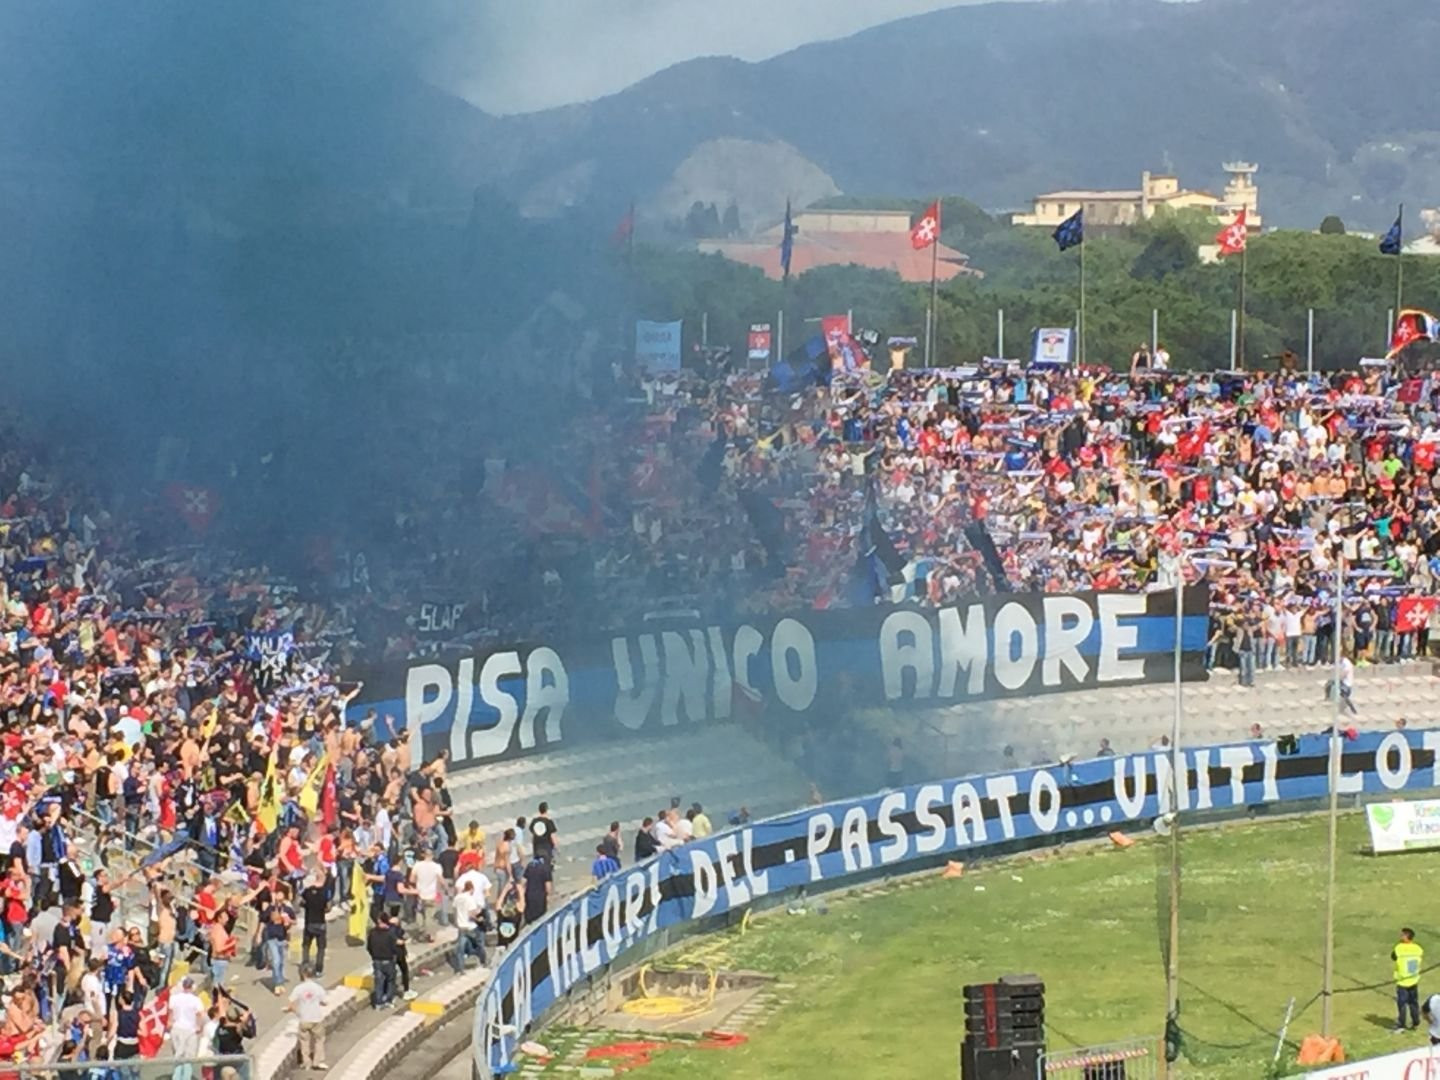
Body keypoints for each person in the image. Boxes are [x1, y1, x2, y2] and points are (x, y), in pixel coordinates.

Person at [287, 963, 329, 1071]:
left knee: (304, 1041)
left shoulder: (298, 988)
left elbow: (290, 1003)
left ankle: (306, 1063)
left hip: (304, 1019)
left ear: (302, 974)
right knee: (319, 1039)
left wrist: (296, 1011)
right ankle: (318, 1061)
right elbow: (325, 1002)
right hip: (316, 1018)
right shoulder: (318, 988)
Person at [167, 976, 205, 1080]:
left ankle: (176, 1077)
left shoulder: (174, 998)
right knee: (188, 1058)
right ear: (192, 987)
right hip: (190, 1030)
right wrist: (199, 1026)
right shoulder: (196, 1000)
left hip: (176, 1028)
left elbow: (170, 1012)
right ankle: (186, 1078)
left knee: (178, 1056)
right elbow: (200, 1014)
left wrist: (169, 1023)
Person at [366, 910, 399, 1010]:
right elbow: (395, 948)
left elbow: (369, 947)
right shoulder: (390, 933)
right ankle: (388, 1000)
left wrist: (374, 956)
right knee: (390, 981)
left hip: (376, 960)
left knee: (378, 982)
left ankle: (378, 1002)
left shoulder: (372, 933)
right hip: (388, 960)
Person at [451, 879, 486, 973]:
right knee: (479, 945)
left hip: (461, 927)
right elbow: (471, 914)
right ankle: (483, 962)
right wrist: (479, 918)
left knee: (461, 949)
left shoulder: (457, 898)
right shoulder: (470, 899)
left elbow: (455, 911)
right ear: (471, 889)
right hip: (471, 927)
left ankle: (460, 969)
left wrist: (456, 922)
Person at [1394, 927, 1424, 1032]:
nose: (1400, 936)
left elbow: (1393, 956)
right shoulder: (1418, 948)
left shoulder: (1399, 948)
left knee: (1402, 1004)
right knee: (1413, 1003)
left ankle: (1401, 1025)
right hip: (1414, 979)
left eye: (1402, 935)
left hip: (1403, 981)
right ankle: (1416, 1022)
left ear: (1406, 937)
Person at [299, 874, 328, 978]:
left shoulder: (307, 892)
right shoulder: (324, 893)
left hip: (309, 923)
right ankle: (319, 969)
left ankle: (305, 966)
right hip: (320, 923)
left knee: (306, 945)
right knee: (321, 948)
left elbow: (301, 902)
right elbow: (327, 907)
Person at [522, 854, 552, 926]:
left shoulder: (530, 866)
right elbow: (548, 886)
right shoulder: (546, 868)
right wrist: (549, 896)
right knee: (540, 917)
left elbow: (523, 881)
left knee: (529, 916)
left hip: (529, 895)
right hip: (540, 896)